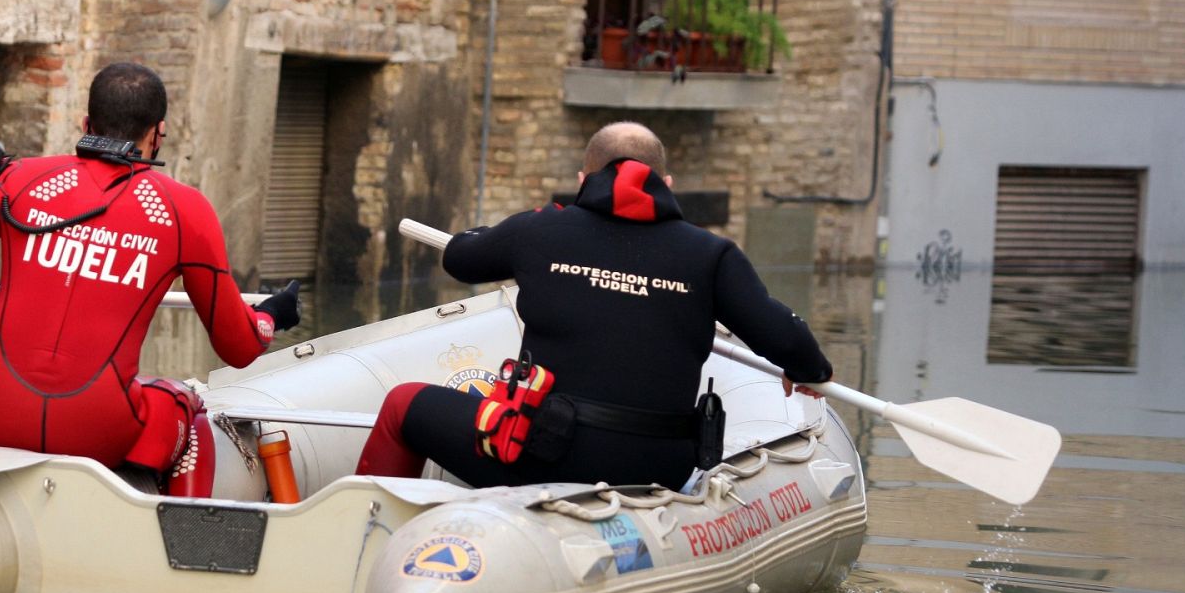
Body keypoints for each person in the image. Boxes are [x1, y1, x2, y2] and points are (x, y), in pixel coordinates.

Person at [0, 62, 299, 489]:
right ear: (158, 133)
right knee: (184, 405)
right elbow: (239, 346)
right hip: (93, 434)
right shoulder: (184, 211)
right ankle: (173, 534)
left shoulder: (19, 178)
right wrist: (270, 315)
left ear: (86, 123)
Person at [356, 121, 831, 489]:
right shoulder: (710, 254)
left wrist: (503, 238)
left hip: (542, 453)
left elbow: (461, 258)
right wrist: (808, 369)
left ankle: (361, 542)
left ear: (584, 180)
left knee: (403, 404)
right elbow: (788, 337)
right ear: (665, 182)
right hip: (658, 467)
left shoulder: (540, 229)